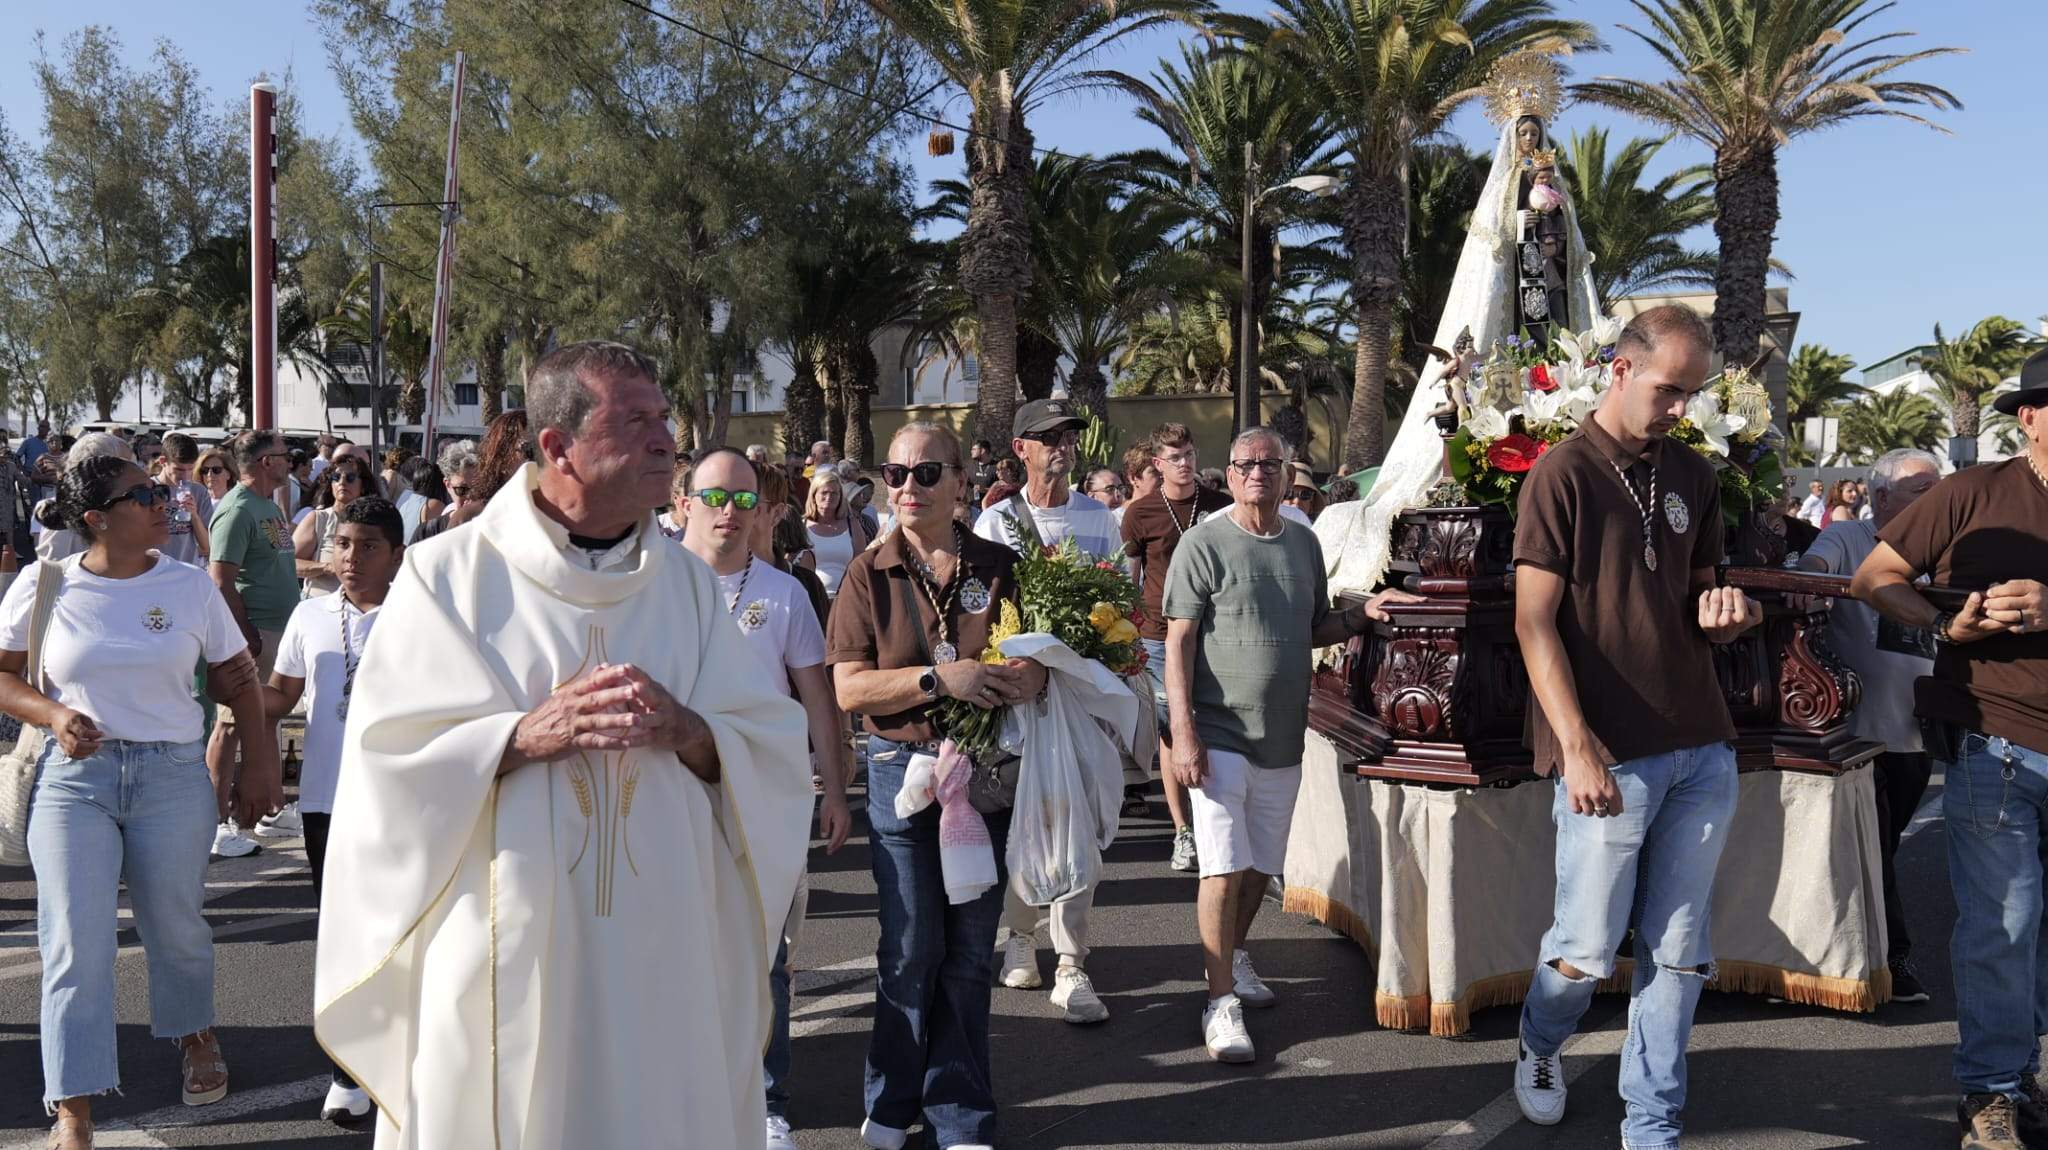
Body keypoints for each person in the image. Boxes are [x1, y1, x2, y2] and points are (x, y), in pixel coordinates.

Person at [312, 340, 812, 1149]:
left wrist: (691, 729)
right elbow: (385, 757)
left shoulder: (684, 583)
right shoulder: (450, 575)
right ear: (557, 448)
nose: (665, 441)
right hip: (503, 940)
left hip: (664, 937)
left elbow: (769, 741)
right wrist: (516, 735)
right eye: (637, 421)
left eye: (664, 420)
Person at [1508, 305, 1763, 1147]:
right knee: (1583, 950)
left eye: (1691, 393)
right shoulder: (1562, 475)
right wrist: (1577, 748)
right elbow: (1533, 623)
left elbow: (1695, 593)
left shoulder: (1692, 473)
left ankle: (1652, 1125)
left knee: (1679, 955)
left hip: (1700, 745)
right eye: (1668, 389)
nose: (1680, 408)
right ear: (1620, 370)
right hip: (1609, 755)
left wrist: (1722, 614)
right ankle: (1541, 1041)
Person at [2, 455, 277, 1150]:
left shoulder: (186, 586)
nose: (167, 500)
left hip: (173, 775)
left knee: (176, 926)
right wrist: (52, 714)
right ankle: (73, 1104)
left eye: (162, 490)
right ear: (96, 518)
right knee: (73, 943)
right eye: (145, 494)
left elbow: (239, 680)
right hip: (75, 783)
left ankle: (196, 1034)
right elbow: (3, 677)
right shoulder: (44, 586)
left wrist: (257, 763)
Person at [1162, 426, 1419, 1064]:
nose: (1258, 473)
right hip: (1219, 732)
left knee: (1257, 867)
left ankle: (1235, 955)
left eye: (1269, 463)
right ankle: (1219, 1002)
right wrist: (1185, 731)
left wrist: (1363, 611)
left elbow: (1315, 627)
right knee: (1221, 867)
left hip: (1282, 736)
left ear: (1284, 473)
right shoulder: (1202, 543)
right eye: (1246, 463)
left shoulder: (1303, 542)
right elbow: (1178, 644)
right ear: (1227, 473)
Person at [1850, 348, 2048, 1150]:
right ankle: (1994, 1089)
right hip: (1993, 739)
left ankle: (2015, 1076)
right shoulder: (1972, 493)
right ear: (2030, 416)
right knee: (2002, 923)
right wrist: (1942, 625)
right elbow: (1875, 576)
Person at [829, 421, 1045, 1150]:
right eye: (895, 474)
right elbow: (850, 690)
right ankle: (890, 1104)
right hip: (902, 777)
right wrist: (935, 677)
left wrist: (1031, 675)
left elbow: (1048, 658)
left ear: (961, 481)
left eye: (926, 474)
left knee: (968, 952)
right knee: (911, 945)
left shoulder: (1003, 562)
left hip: (983, 776)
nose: (907, 488)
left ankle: (959, 1115)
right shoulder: (869, 570)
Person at [677, 448, 851, 1150]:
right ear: (684, 501)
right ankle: (685, 1093)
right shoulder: (653, 586)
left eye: (745, 501)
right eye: (715, 498)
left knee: (767, 958)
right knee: (676, 950)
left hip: (766, 806)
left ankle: (766, 1103)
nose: (729, 513)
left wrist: (836, 790)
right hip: (672, 799)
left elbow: (819, 701)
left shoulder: (783, 594)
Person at [974, 397, 1126, 1022]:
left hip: (1079, 698)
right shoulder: (994, 524)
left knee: (1078, 822)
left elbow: (1118, 602)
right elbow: (979, 613)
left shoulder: (1100, 519)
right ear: (1021, 450)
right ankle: (1019, 936)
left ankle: (1071, 962)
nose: (1061, 446)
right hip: (1015, 700)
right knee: (1024, 818)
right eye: (1047, 437)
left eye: (1068, 435)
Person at [261, 496, 403, 1127]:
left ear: (398, 554)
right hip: (326, 799)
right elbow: (281, 696)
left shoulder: (423, 615)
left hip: (403, 798)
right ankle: (348, 1070)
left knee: (404, 929)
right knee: (340, 933)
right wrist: (230, 691)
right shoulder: (309, 615)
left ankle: (403, 1057)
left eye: (368, 545)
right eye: (342, 544)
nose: (351, 557)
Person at [1796, 448, 1942, 1004]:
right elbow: (1815, 565)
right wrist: (1803, 580)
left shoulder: (1943, 545)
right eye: (1920, 491)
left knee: (1884, 847)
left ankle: (1859, 949)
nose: (1935, 502)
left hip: (1918, 731)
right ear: (1881, 498)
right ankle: (1890, 960)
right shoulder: (1850, 539)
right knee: (1874, 849)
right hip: (1858, 733)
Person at [1123, 423, 1232, 873]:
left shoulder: (1220, 506)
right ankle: (1182, 829)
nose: (1185, 463)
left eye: (1189, 454)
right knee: (1173, 728)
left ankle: (1216, 822)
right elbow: (1129, 578)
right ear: (1157, 464)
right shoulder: (1141, 512)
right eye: (1175, 457)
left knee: (1214, 722)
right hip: (1157, 632)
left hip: (1213, 629)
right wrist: (1127, 636)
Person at [204, 430, 298, 860]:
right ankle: (215, 821)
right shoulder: (237, 509)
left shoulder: (267, 506)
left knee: (267, 720)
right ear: (265, 463)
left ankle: (270, 808)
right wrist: (244, 635)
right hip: (253, 632)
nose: (290, 461)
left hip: (276, 629)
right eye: (283, 455)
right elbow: (221, 579)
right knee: (230, 725)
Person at [37, 434, 136, 563]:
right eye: (126, 464)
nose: (136, 470)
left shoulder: (119, 508)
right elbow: (51, 575)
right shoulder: (68, 517)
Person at [294, 453, 379, 598]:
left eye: (350, 478)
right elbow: (288, 563)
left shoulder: (374, 523)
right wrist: (327, 568)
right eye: (336, 477)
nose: (342, 482)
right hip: (319, 605)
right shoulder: (319, 518)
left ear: (363, 486)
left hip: (359, 609)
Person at [803, 472, 870, 599]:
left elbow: (861, 562)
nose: (829, 497)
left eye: (834, 493)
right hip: (811, 598)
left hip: (846, 597)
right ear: (813, 495)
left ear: (840, 497)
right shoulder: (802, 526)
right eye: (824, 492)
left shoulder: (852, 525)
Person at [157, 433, 215, 568]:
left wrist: (193, 514)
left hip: (187, 572)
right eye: (178, 469)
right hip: (155, 573)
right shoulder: (148, 488)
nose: (185, 476)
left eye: (190, 469)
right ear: (162, 462)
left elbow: (207, 547)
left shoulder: (199, 492)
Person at [412, 439, 479, 540]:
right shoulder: (427, 533)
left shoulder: (498, 532)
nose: (471, 496)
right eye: (462, 489)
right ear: (448, 486)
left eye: (479, 488)